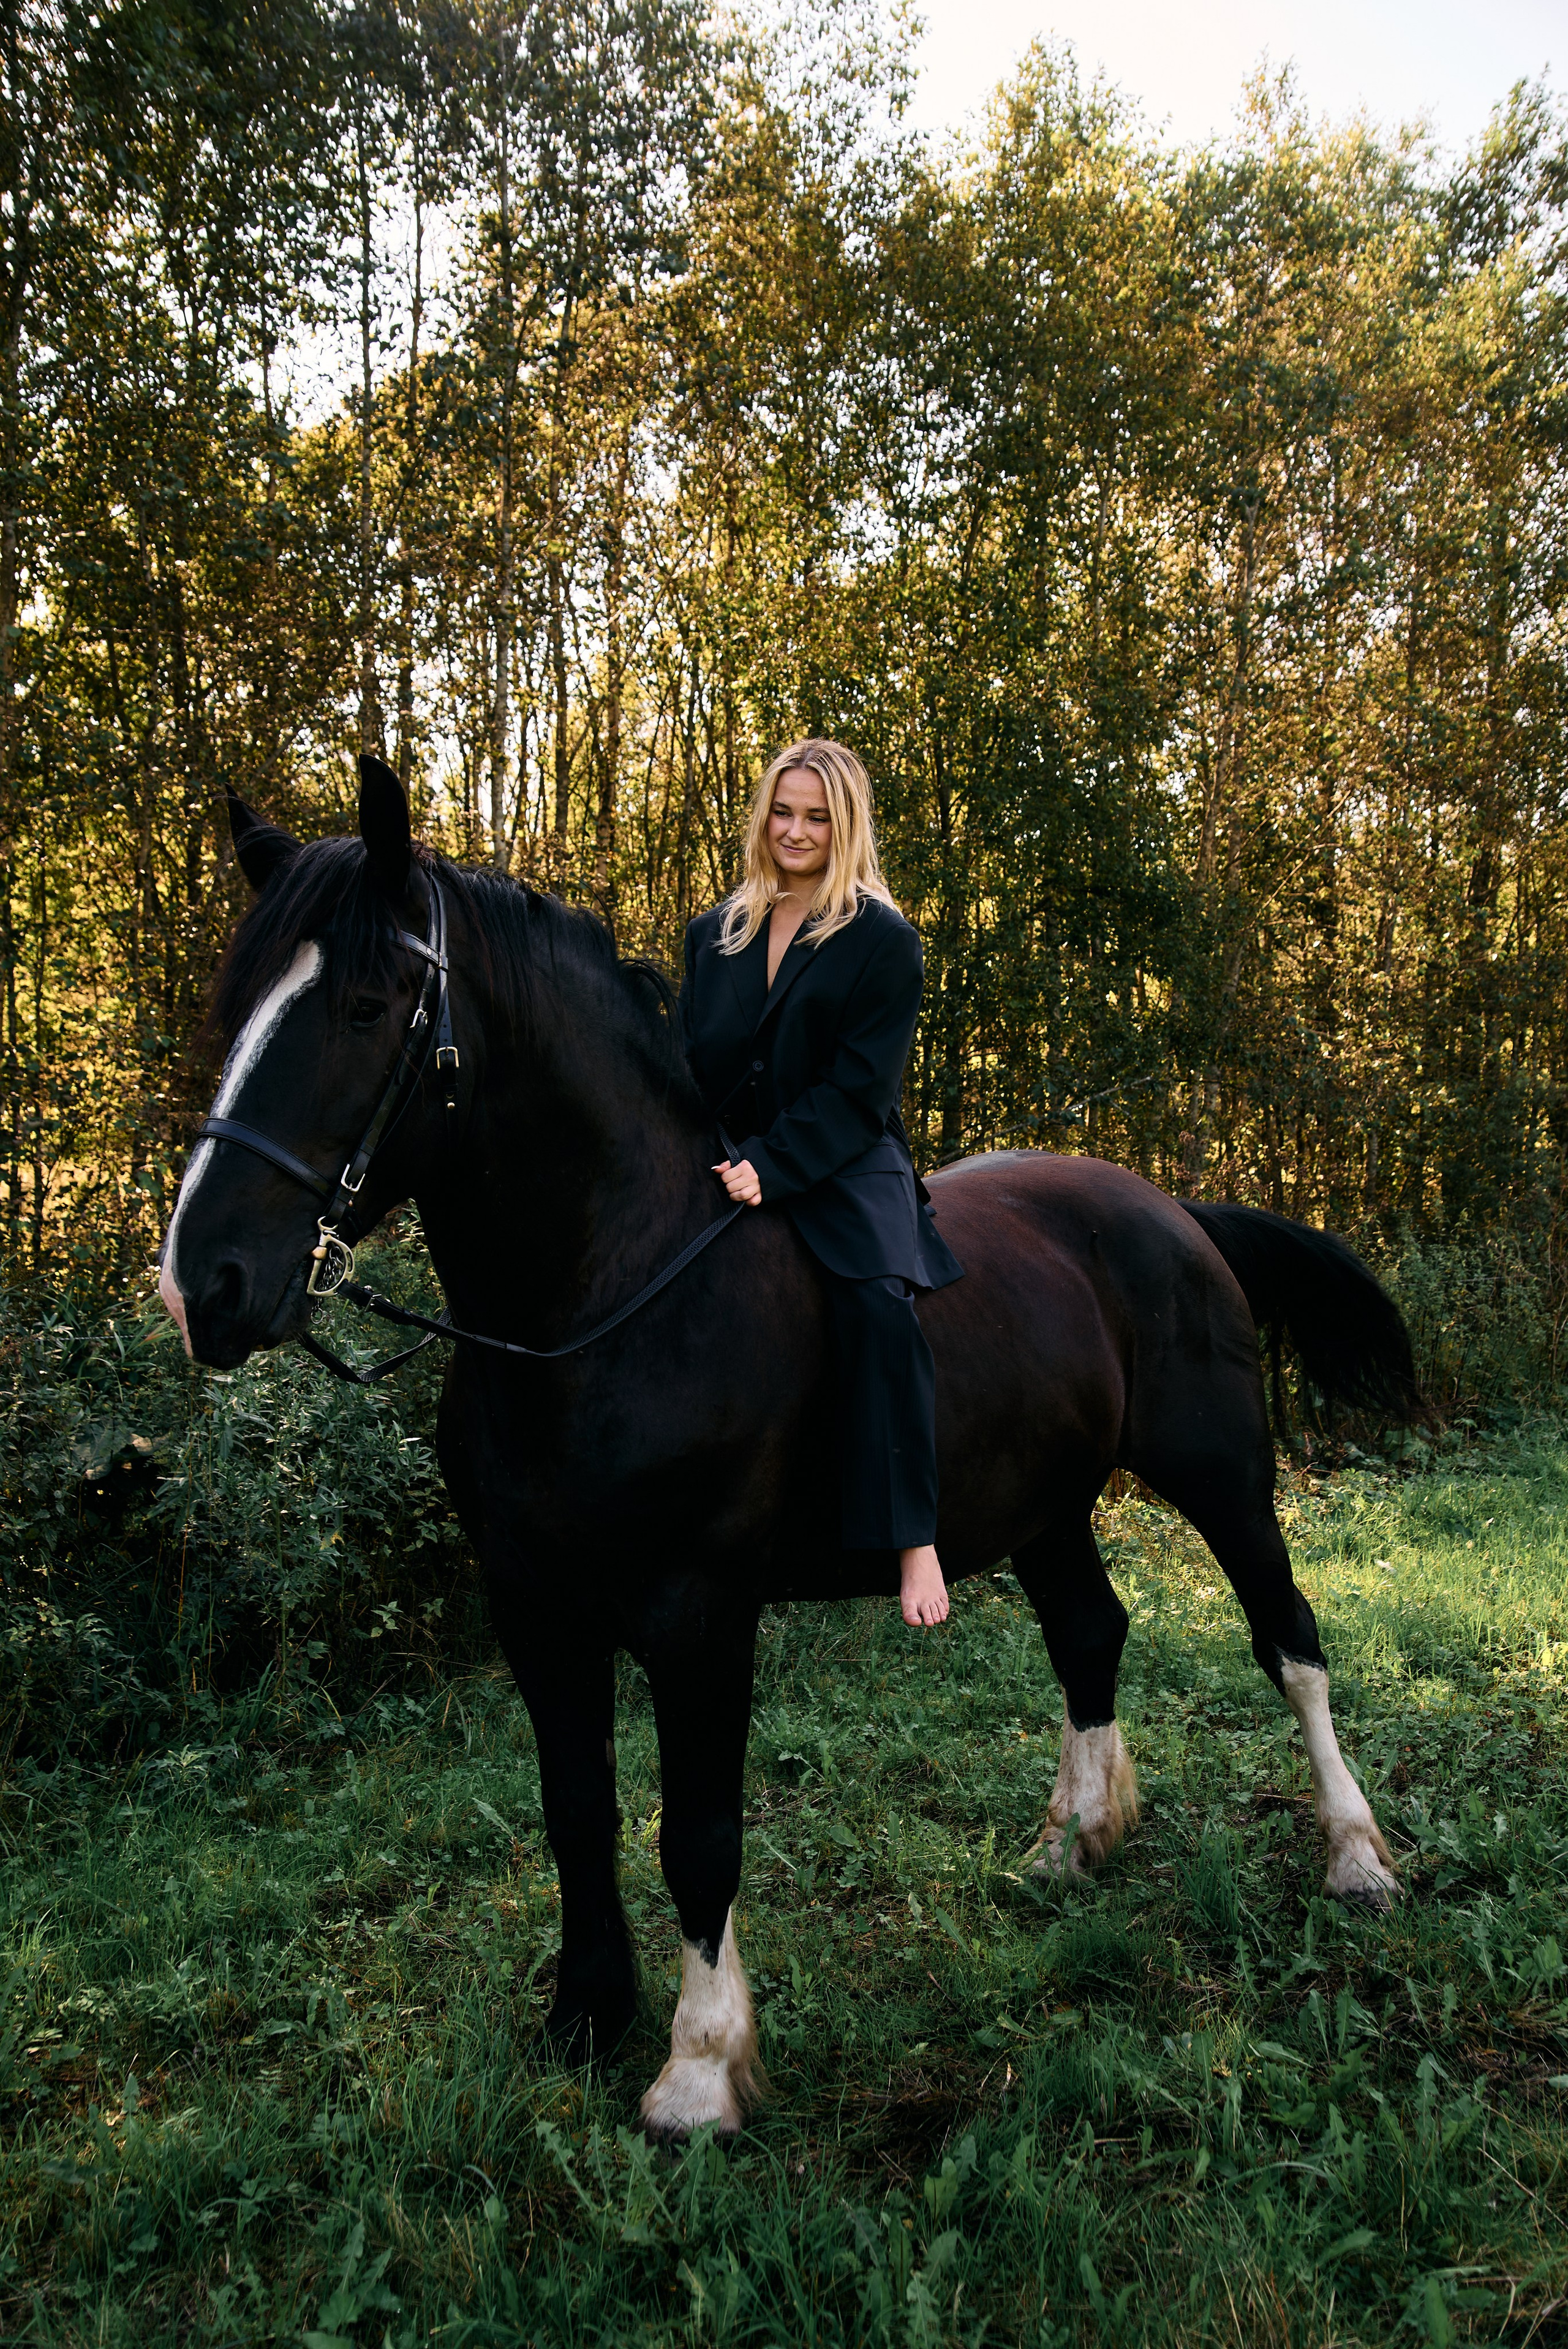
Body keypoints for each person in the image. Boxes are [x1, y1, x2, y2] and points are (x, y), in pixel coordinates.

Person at [678, 738, 964, 1627]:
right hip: (729, 1155)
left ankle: (913, 1536)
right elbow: (691, 1064)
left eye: (816, 817)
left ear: (846, 827)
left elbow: (859, 1089)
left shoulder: (883, 940)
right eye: (783, 811)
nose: (795, 831)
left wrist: (774, 1165)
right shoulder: (714, 931)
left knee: (878, 1308)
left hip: (843, 1160)